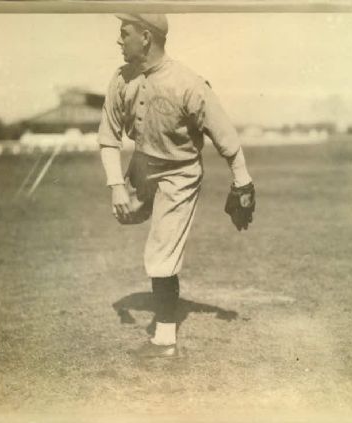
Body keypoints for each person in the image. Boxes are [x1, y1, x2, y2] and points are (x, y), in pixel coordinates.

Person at [98, 13, 256, 359]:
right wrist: (116, 186)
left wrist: (242, 182)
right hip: (142, 167)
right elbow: (109, 139)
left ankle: (165, 340)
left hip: (180, 173)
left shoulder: (188, 83)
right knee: (126, 216)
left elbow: (226, 138)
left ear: (146, 36)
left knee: (160, 250)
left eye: (124, 33)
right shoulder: (121, 79)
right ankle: (149, 220)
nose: (118, 40)